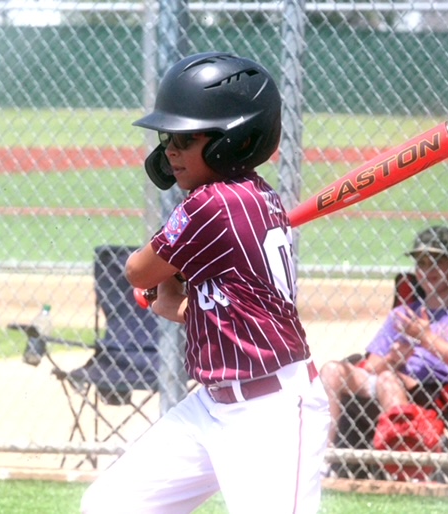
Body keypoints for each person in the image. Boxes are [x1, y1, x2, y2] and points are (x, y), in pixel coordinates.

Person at [80, 52, 330, 514]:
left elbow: (137, 271)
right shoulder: (254, 196)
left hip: (270, 413)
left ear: (234, 141)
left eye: (185, 137)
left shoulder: (214, 204)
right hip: (211, 407)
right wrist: (172, 293)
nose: (170, 149)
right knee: (110, 506)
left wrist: (164, 282)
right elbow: (206, 309)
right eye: (166, 136)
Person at [320, 226, 448, 449]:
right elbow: (369, 368)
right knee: (332, 371)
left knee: (388, 380)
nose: (428, 269)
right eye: (422, 263)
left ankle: (402, 462)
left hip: (430, 390)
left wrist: (427, 339)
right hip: (385, 379)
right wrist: (393, 358)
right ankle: (324, 455)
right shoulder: (402, 314)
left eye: (437, 262)